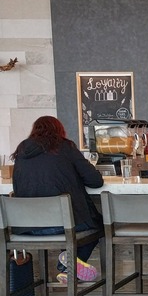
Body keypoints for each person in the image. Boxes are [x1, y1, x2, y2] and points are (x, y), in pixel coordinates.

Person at [11, 116, 104, 284]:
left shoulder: (21, 151)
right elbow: (96, 182)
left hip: (26, 229)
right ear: (59, 131)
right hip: (62, 226)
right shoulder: (65, 146)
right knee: (97, 225)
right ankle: (67, 265)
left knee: (72, 225)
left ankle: (69, 266)